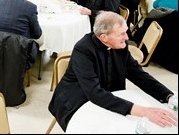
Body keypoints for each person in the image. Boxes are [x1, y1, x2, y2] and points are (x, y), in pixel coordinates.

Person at [48, 11, 178, 132]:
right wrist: (144, 111)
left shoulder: (121, 45)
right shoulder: (83, 50)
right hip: (76, 99)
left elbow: (139, 75)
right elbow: (94, 93)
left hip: (108, 95)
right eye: (121, 34)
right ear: (104, 37)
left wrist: (168, 96)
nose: (126, 37)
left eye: (126, 32)